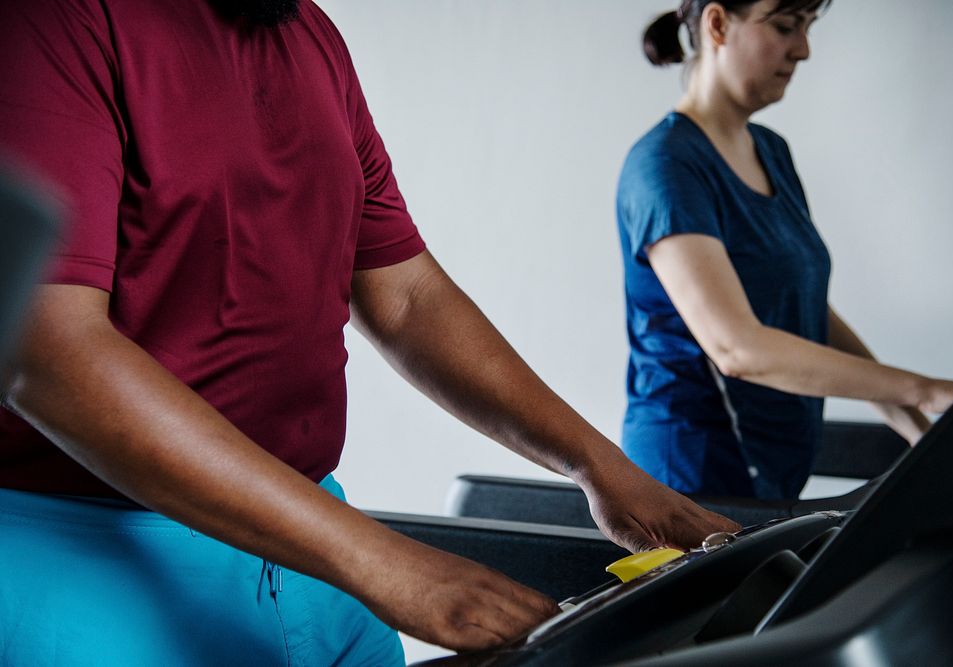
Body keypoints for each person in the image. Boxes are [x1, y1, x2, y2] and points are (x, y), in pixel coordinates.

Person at [0, 0, 740, 664]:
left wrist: (598, 466)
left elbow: (405, 293)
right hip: (94, 557)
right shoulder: (54, 22)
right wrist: (382, 561)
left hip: (316, 545)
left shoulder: (312, 35)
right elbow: (46, 352)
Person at [616, 0, 953, 501]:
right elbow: (736, 348)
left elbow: (803, 306)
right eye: (785, 26)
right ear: (718, 24)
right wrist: (927, 390)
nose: (802, 50)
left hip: (773, 470)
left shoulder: (771, 152)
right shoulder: (666, 166)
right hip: (689, 481)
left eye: (806, 28)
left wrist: (916, 427)